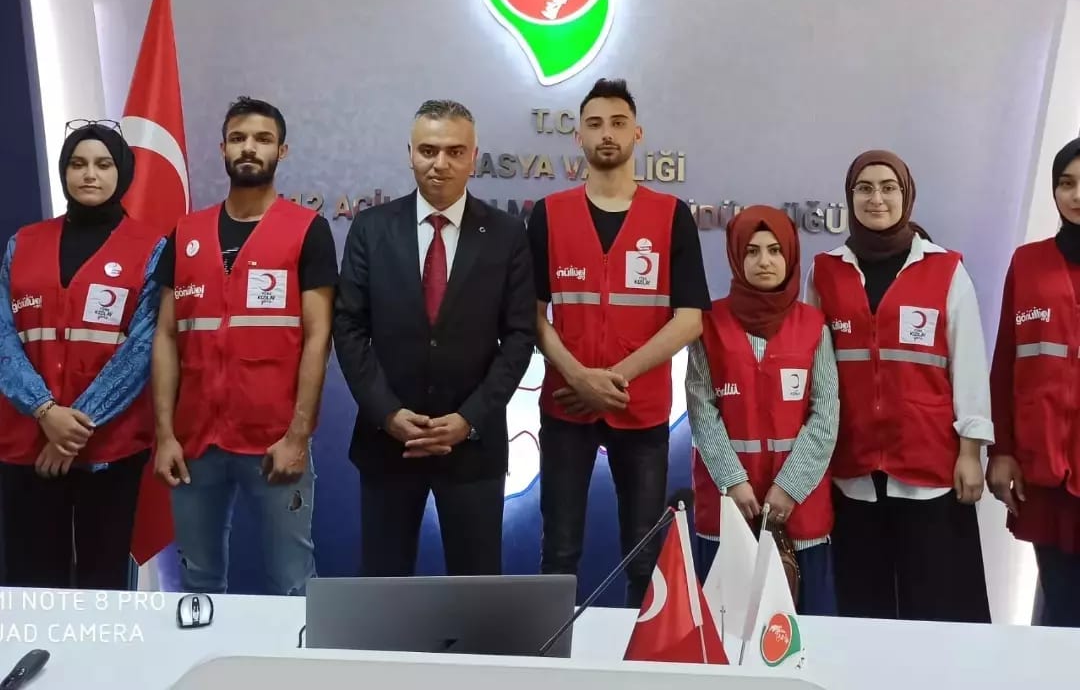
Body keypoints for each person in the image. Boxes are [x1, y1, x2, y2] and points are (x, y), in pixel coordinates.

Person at [333, 99, 535, 576]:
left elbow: (521, 334)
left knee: (475, 594)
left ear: (473, 156)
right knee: (383, 589)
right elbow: (349, 327)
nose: (439, 163)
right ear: (409, 154)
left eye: (453, 151)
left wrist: (469, 418)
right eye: (427, 150)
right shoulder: (370, 228)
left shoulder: (506, 235)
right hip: (388, 443)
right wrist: (387, 414)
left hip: (472, 447)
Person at [528, 78, 710, 607]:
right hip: (566, 407)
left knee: (644, 555)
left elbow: (690, 319)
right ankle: (550, 665)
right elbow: (534, 315)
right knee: (558, 551)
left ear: (637, 132)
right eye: (594, 124)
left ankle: (641, 669)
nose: (606, 134)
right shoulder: (548, 214)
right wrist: (580, 378)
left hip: (642, 407)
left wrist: (615, 378)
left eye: (617, 123)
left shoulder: (672, 215)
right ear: (578, 137)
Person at [151, 97, 337, 596]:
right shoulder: (185, 234)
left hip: (274, 441)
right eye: (238, 138)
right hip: (194, 444)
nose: (249, 148)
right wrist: (165, 434)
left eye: (262, 139)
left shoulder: (306, 231)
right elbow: (167, 337)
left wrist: (298, 436)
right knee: (197, 582)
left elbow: (319, 337)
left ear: (282, 150)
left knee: (293, 582)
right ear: (223, 149)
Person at [805, 149, 993, 622]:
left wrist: (971, 451)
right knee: (863, 609)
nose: (876, 198)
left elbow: (968, 364)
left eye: (888, 187)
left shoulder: (945, 269)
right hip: (853, 468)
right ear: (849, 197)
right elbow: (810, 366)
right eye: (864, 188)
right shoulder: (825, 270)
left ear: (906, 195)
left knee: (937, 609)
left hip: (929, 469)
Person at [0, 121, 164, 588]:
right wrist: (44, 412)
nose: (89, 174)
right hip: (25, 444)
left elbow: (143, 346)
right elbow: (3, 335)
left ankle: (106, 664)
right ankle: (31, 663)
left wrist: (71, 429)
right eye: (78, 164)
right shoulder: (22, 243)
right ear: (64, 172)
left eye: (103, 164)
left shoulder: (152, 249)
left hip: (109, 447)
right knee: (32, 583)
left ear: (122, 173)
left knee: (103, 584)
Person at [687, 205, 839, 614]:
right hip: (728, 508)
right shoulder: (708, 323)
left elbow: (825, 413)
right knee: (723, 636)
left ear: (790, 255)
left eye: (774, 250)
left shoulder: (813, 325)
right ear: (736, 257)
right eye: (752, 251)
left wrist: (789, 487)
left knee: (804, 639)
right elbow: (701, 409)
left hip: (799, 514)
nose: (764, 261)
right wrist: (733, 481)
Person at [988, 137, 1080, 627]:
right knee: (1061, 604)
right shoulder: (1028, 262)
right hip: (1045, 468)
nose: (1076, 195)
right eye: (1066, 183)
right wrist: (1001, 451)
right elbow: (1006, 362)